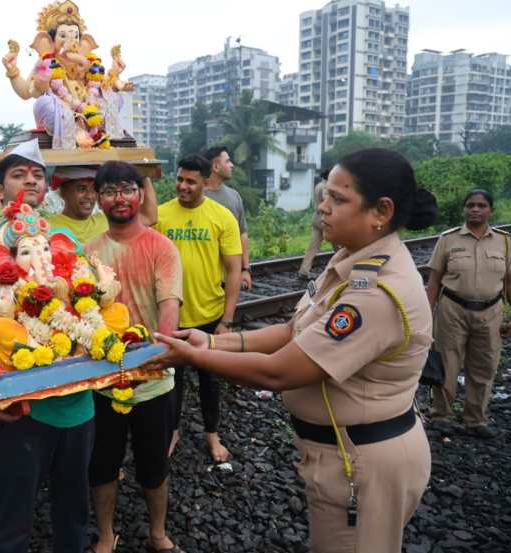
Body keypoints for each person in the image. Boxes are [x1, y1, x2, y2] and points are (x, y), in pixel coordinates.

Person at [143, 148, 439, 553]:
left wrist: (191, 357)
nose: (323, 207)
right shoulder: (350, 260)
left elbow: (279, 373)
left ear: (381, 211)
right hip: (343, 450)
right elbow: (292, 330)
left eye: (338, 199)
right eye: (326, 195)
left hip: (364, 461)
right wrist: (211, 341)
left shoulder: (376, 293)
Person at [0, 140, 94, 553]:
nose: (30, 180)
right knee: (13, 514)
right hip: (18, 405)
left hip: (77, 398)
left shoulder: (63, 239)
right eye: (18, 174)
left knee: (73, 509)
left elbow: (87, 306)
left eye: (38, 174)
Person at [85, 161, 184, 553]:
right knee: (102, 466)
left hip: (154, 376)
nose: (119, 198)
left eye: (127, 188)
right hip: (103, 379)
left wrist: (162, 349)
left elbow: (170, 305)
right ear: (98, 199)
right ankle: (106, 535)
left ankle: (157, 533)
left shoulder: (161, 247)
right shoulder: (91, 253)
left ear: (140, 195)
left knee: (154, 466)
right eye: (109, 191)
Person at [155, 155, 242, 463]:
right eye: (180, 179)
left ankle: (212, 434)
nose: (183, 186)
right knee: (170, 381)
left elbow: (233, 270)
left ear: (206, 182)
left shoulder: (222, 217)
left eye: (191, 181)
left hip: (209, 314)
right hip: (170, 317)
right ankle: (172, 431)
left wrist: (227, 321)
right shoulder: (161, 215)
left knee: (209, 380)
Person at [425, 189, 511, 439]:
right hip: (452, 309)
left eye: (481, 205)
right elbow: (434, 282)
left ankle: (476, 420)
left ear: (490, 211)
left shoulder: (504, 241)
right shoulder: (448, 239)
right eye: (470, 205)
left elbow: (508, 283)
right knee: (447, 364)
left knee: (484, 366)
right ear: (464, 209)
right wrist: (425, 315)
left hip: (491, 311)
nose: (475, 209)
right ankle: (442, 416)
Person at [45, 165, 157, 244]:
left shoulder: (107, 220)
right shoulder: (47, 225)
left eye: (94, 189)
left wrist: (144, 174)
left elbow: (149, 217)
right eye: (81, 189)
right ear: (63, 192)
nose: (89, 196)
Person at [202, 145, 252, 289]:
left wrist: (245, 269)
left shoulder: (234, 196)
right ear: (216, 166)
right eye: (228, 161)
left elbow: (242, 234)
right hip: (202, 278)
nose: (232, 165)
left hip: (229, 277)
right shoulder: (197, 196)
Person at [299, 172, 329, 279]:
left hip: (316, 217)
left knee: (312, 247)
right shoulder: (326, 187)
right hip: (324, 218)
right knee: (339, 245)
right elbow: (326, 200)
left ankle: (304, 270)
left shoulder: (318, 186)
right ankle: (343, 268)